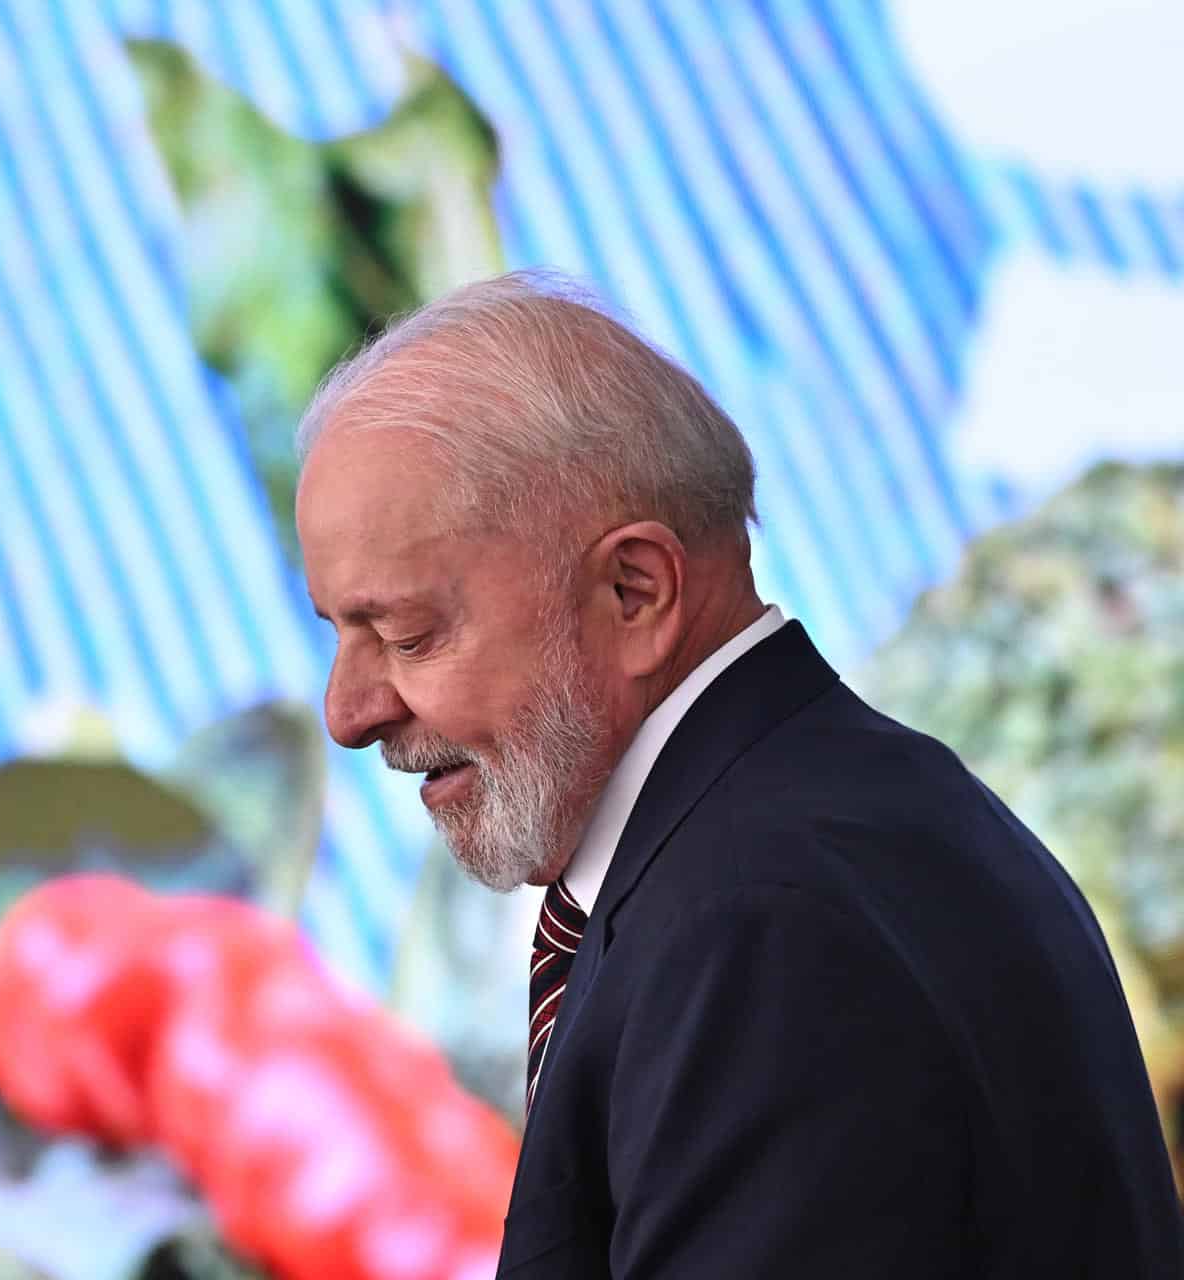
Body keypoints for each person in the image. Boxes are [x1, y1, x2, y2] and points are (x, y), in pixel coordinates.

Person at [292, 270, 1184, 1277]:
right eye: (339, 634)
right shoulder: (857, 813)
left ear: (635, 590)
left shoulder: (757, 925)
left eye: (406, 633)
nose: (348, 711)